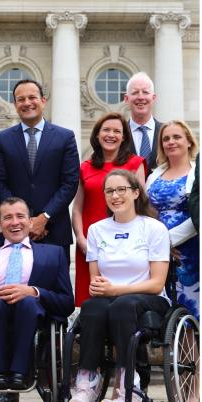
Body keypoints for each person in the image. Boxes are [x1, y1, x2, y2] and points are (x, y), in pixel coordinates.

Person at [0, 78, 79, 402]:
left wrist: (44, 218)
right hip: (12, 234)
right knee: (10, 301)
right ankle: (9, 386)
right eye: (20, 99)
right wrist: (21, 221)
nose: (26, 103)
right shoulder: (2, 140)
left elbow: (70, 182)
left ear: (44, 99)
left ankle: (53, 382)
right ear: (15, 104)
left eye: (32, 98)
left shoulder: (64, 138)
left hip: (52, 234)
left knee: (50, 304)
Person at [67, 169, 170, 402]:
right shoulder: (96, 230)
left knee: (124, 305)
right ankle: (87, 383)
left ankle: (129, 388)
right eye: (109, 191)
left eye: (121, 189)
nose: (115, 195)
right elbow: (96, 282)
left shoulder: (153, 228)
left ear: (136, 193)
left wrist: (118, 289)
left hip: (150, 299)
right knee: (90, 306)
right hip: (110, 299)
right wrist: (103, 289)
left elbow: (156, 283)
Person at [0, 198, 74, 392]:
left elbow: (67, 303)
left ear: (30, 221)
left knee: (28, 302)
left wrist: (33, 292)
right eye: (8, 218)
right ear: (0, 226)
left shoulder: (54, 254)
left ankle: (20, 372)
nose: (15, 222)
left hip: (35, 318)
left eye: (20, 216)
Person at [71, 113, 146, 307]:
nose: (111, 134)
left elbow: (142, 205)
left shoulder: (135, 163)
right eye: (106, 130)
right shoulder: (85, 168)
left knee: (122, 297)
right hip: (90, 243)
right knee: (91, 300)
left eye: (117, 131)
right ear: (97, 135)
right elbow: (77, 208)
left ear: (124, 137)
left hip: (125, 241)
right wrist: (81, 239)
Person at [146, 121, 199, 319]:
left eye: (177, 137)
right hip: (158, 253)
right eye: (166, 138)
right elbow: (146, 210)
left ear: (189, 142)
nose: (171, 142)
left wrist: (168, 240)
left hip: (190, 251)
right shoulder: (154, 175)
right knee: (168, 311)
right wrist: (158, 243)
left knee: (192, 311)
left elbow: (200, 213)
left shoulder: (198, 172)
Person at [123, 72, 161, 171]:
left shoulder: (166, 132)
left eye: (145, 92)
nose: (140, 97)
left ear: (154, 98)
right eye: (135, 92)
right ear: (126, 99)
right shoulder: (119, 134)